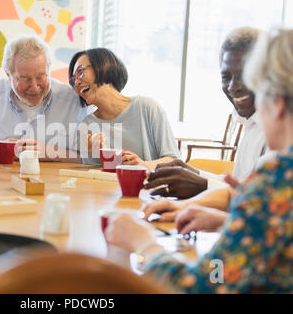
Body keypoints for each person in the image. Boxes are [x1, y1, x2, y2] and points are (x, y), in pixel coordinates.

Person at [105, 28, 293, 293]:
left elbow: (205, 285)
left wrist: (142, 242)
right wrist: (225, 221)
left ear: (278, 103)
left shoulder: (279, 176)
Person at [146, 27, 268, 198]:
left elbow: (261, 202)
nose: (233, 86)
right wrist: (194, 173)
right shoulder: (251, 124)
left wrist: (202, 185)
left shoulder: (276, 129)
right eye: (226, 77)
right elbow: (239, 185)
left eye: (243, 75)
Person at [0, 34, 90, 161]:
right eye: (24, 79)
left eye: (41, 77)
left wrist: (51, 153)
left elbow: (91, 158)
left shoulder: (73, 100)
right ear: (8, 75)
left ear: (48, 70)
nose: (34, 87)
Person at [68, 48, 179, 171]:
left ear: (103, 66)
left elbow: (174, 160)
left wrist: (144, 165)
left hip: (149, 188)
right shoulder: (87, 125)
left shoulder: (147, 108)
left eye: (80, 72)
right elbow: (93, 175)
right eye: (73, 80)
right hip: (108, 189)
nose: (76, 83)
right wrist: (92, 152)